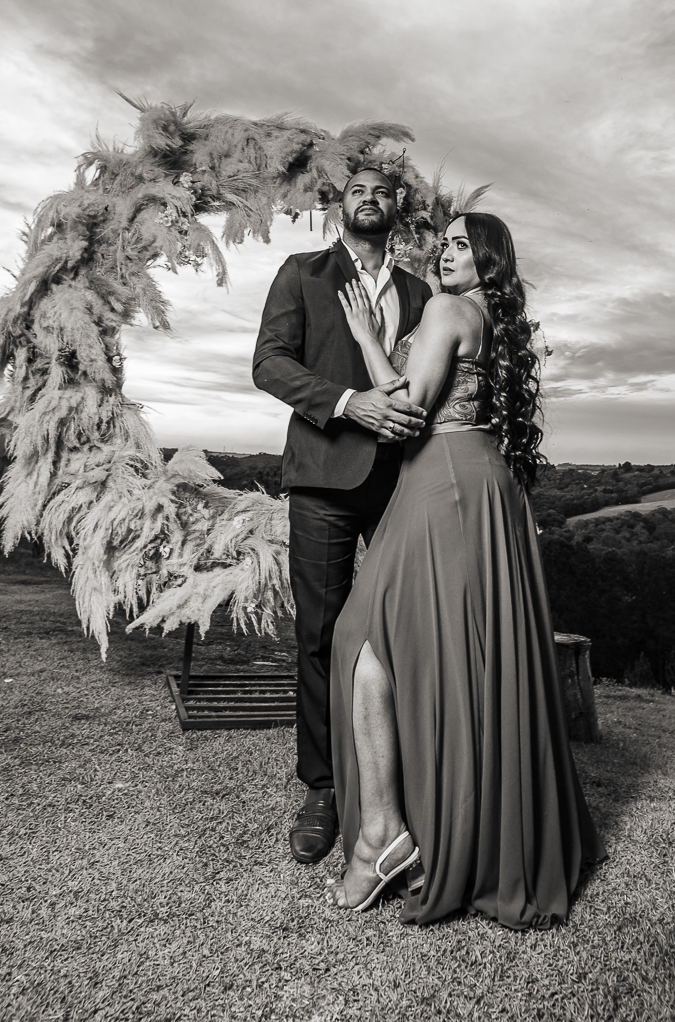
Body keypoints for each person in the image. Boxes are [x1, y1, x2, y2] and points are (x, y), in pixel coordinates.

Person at [326, 212, 606, 926]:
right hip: (481, 481)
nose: (444, 253)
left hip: (442, 476)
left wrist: (364, 338)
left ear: (486, 260)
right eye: (442, 243)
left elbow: (410, 409)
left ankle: (383, 834)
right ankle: (400, 828)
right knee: (452, 647)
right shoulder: (496, 322)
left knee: (362, 632)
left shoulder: (448, 308)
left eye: (458, 244)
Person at [252, 168, 433, 865]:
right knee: (321, 636)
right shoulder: (301, 273)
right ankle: (324, 788)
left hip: (402, 482)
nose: (369, 197)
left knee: (399, 631)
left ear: (395, 211)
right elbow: (269, 363)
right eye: (357, 188)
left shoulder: (421, 294)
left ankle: (398, 781)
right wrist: (344, 402)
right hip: (324, 480)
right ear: (339, 206)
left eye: (383, 191)